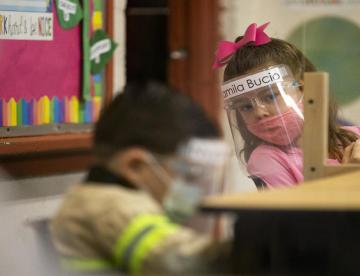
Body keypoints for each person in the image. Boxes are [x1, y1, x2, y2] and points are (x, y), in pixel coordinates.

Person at [50, 82, 230, 275]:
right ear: (135, 166)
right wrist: (247, 250)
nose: (194, 191)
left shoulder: (98, 199)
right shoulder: (108, 206)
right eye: (189, 176)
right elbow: (179, 261)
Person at [213, 22, 360, 188]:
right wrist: (350, 178)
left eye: (270, 96)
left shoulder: (358, 137)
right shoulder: (266, 160)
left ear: (304, 88)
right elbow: (301, 215)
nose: (259, 111)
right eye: (245, 107)